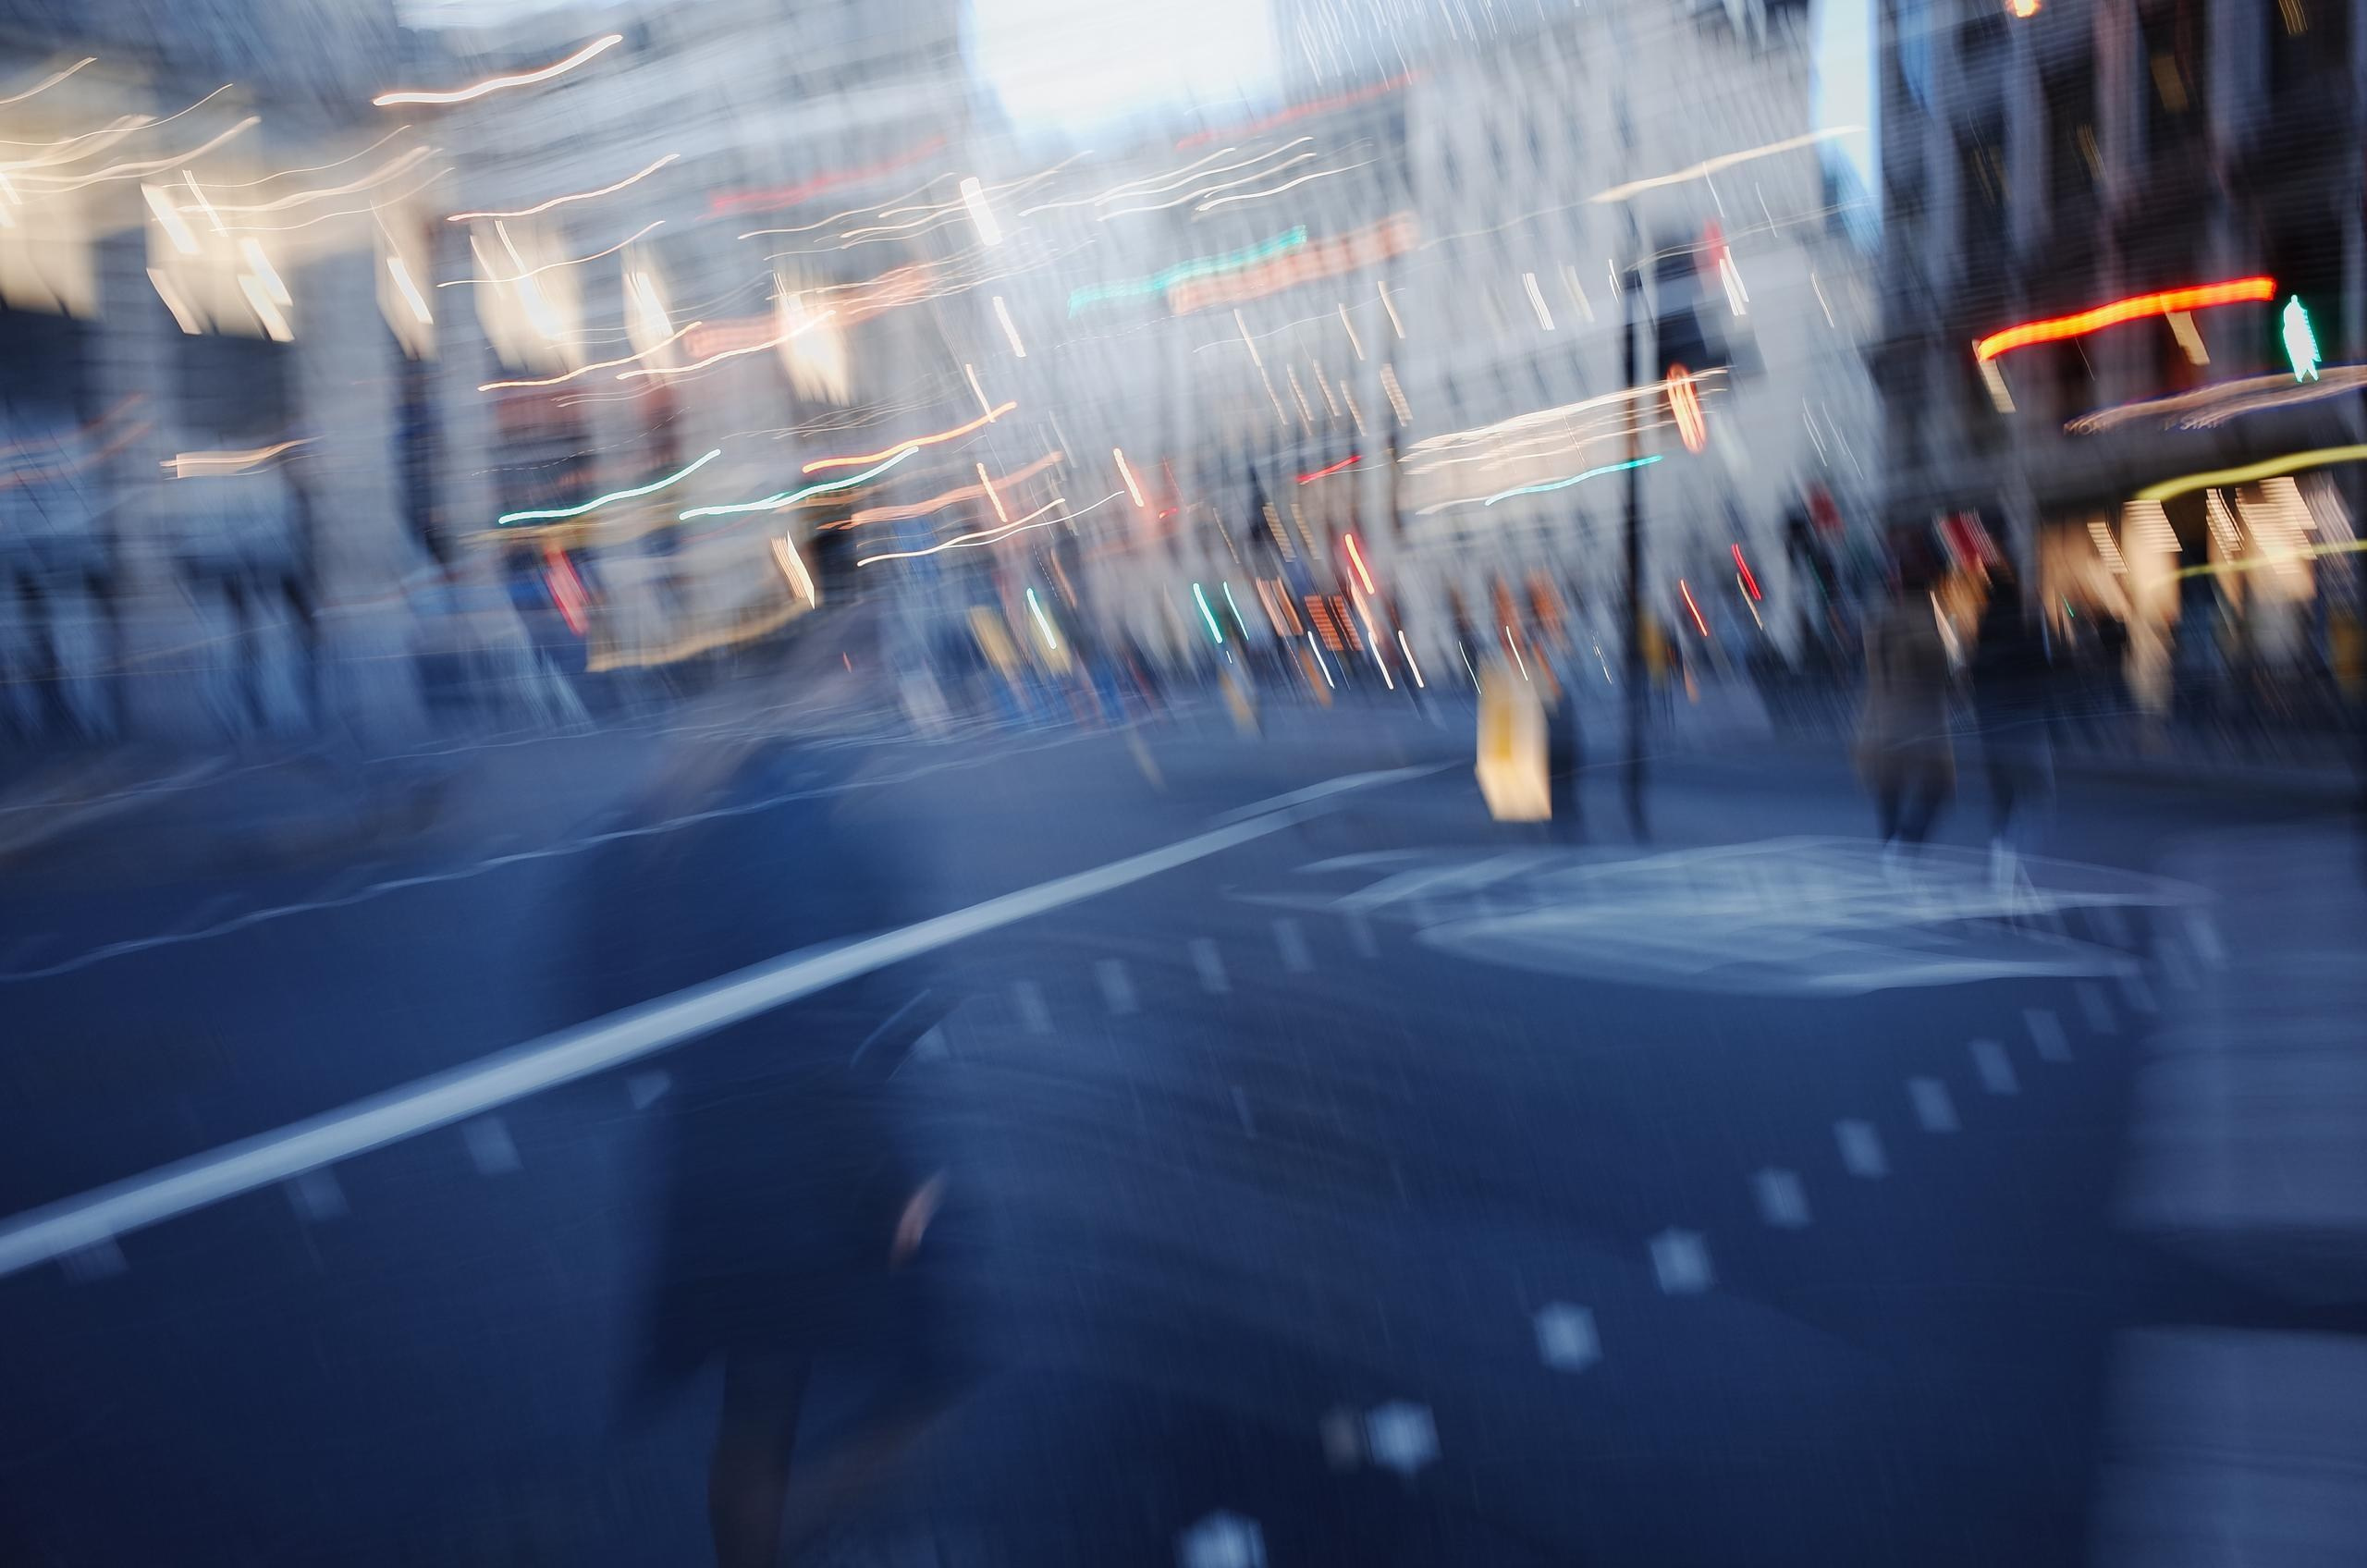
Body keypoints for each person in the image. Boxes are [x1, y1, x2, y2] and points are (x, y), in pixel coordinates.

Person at [591, 576, 964, 1568]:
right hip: (811, 1161)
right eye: (862, 658)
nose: (874, 678)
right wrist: (890, 1183)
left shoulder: (667, 805)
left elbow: (591, 1000)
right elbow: (816, 1025)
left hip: (704, 1164)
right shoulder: (793, 811)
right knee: (928, 1373)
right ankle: (787, 1541)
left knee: (758, 1401)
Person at [1856, 545, 1956, 851]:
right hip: (1917, 726)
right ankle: (1904, 845)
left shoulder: (1880, 624)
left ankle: (1892, 846)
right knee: (1938, 788)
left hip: (1879, 723)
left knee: (1890, 792)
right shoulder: (1925, 630)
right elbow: (1943, 679)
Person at [1968, 565, 2053, 877]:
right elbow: (2044, 671)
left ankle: (2001, 857)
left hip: (1992, 726)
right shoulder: (2025, 629)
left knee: (2003, 794)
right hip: (2025, 723)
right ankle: (2017, 860)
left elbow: (1974, 680)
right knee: (2037, 794)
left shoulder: (1984, 634)